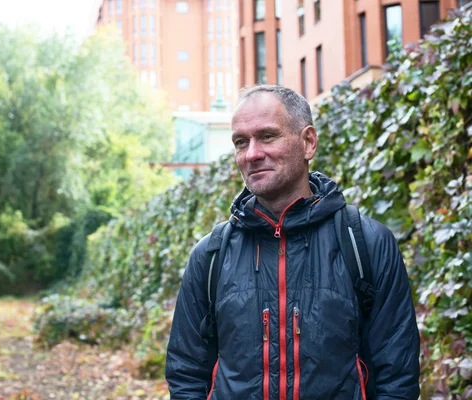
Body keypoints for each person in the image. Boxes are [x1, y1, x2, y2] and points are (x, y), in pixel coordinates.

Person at [165, 85, 420, 400]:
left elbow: (397, 378)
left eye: (268, 136)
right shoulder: (211, 255)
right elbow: (186, 374)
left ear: (308, 142)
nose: (252, 154)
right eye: (240, 142)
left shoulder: (365, 244)